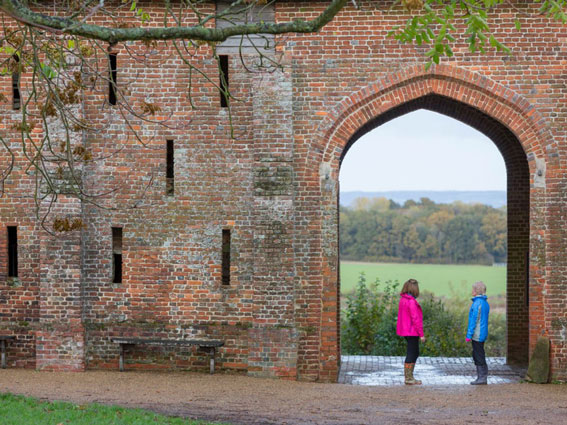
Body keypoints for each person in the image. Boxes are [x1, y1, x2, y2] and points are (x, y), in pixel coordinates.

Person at [396, 278, 425, 385]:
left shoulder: (403, 300)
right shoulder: (411, 302)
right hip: (412, 331)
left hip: (405, 330)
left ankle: (410, 376)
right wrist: (421, 334)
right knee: (412, 353)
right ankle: (408, 378)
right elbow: (415, 319)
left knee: (413, 352)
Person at [466, 281, 490, 385]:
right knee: (480, 353)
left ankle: (482, 378)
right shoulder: (485, 303)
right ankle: (482, 376)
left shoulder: (477, 304)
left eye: (473, 289)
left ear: (476, 291)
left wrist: (469, 335)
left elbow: (473, 320)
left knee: (478, 354)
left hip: (477, 333)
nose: (472, 291)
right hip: (483, 332)